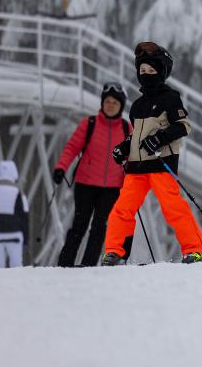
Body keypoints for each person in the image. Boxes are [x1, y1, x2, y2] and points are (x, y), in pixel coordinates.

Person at [101, 41, 202, 265]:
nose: (146, 74)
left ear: (162, 72)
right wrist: (124, 147)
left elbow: (183, 126)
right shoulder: (138, 104)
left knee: (173, 209)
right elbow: (138, 137)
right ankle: (114, 252)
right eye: (142, 70)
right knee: (122, 210)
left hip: (162, 164)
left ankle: (196, 250)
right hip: (137, 167)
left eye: (152, 71)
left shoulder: (170, 98)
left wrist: (159, 139)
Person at [52, 83, 131, 267]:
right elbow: (72, 147)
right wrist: (61, 167)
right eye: (108, 101)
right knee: (79, 225)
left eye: (115, 103)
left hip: (112, 188)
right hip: (85, 184)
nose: (111, 105)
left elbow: (132, 158)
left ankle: (88, 265)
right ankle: (65, 263)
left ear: (121, 107)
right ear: (103, 103)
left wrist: (131, 180)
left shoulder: (127, 130)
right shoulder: (89, 124)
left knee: (99, 228)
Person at [0, 160, 29, 268]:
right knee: (16, 265)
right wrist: (26, 239)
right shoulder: (18, 191)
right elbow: (24, 217)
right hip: (13, 234)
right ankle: (16, 285)